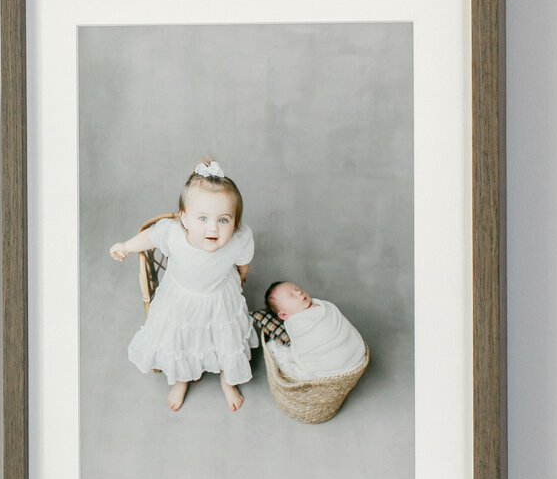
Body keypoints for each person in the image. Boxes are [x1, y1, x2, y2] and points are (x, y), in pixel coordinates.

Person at [109, 160, 256, 412]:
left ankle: (227, 379)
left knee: (225, 337)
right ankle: (181, 379)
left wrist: (241, 278)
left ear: (235, 222)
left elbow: (245, 262)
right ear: (184, 219)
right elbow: (149, 237)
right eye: (203, 218)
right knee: (180, 339)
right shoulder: (174, 234)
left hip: (218, 295)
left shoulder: (238, 239)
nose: (213, 228)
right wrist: (126, 247)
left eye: (224, 220)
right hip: (181, 297)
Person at [262, 279, 367, 380]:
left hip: (348, 350)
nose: (299, 292)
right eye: (291, 295)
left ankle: (348, 352)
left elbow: (336, 323)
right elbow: (306, 342)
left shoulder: (321, 307)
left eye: (297, 289)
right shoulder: (296, 324)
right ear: (284, 315)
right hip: (330, 363)